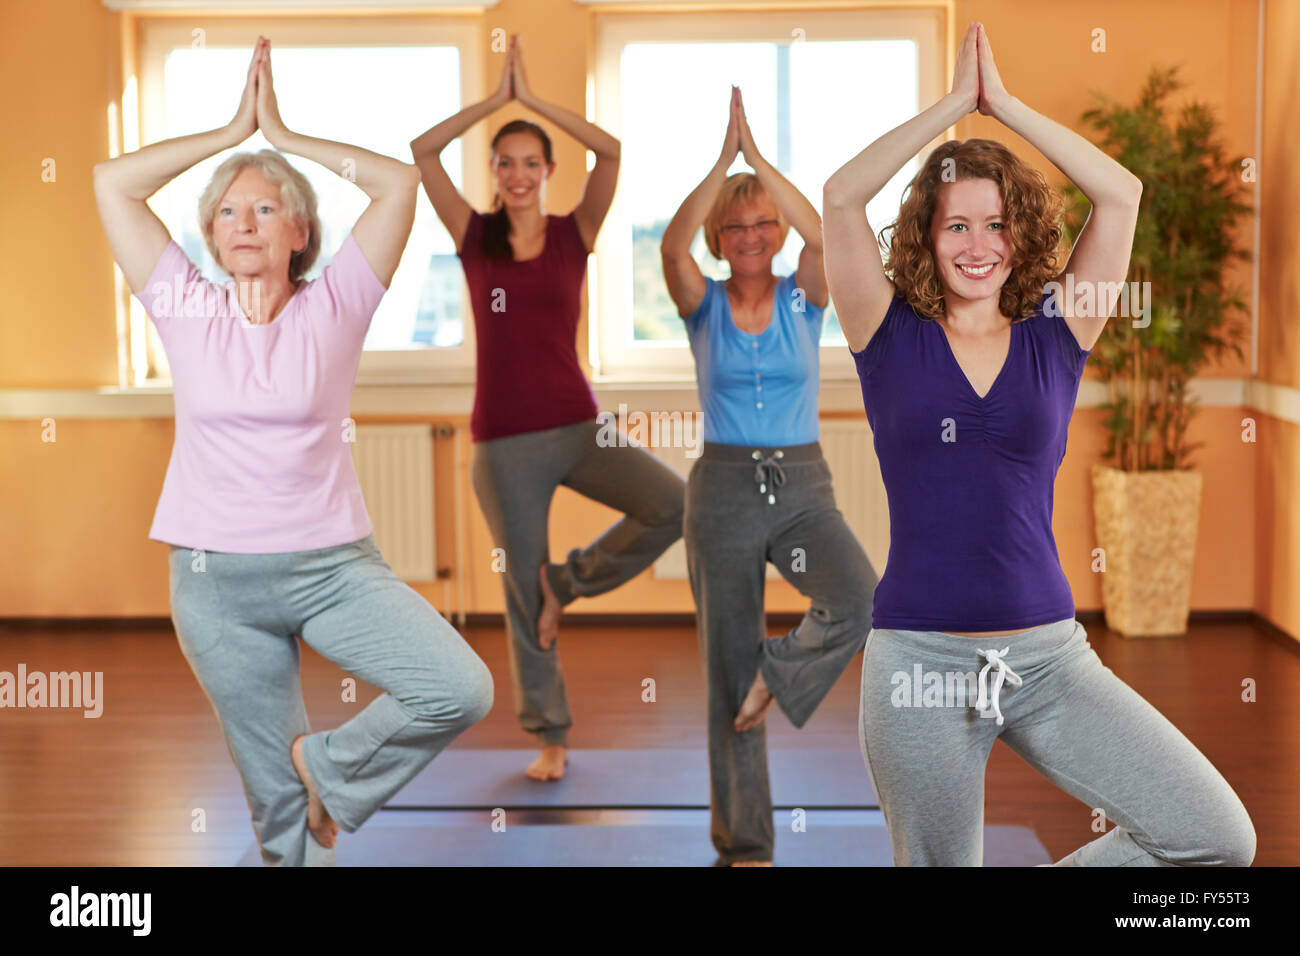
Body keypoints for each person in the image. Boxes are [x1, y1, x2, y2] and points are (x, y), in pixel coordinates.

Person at [822, 22, 1255, 866]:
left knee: (1214, 838)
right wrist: (952, 109)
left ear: (1019, 233)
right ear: (926, 235)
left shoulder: (1059, 329)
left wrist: (1006, 109)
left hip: (1047, 657)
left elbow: (1121, 193)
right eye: (956, 227)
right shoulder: (885, 332)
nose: (978, 247)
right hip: (920, 661)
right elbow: (840, 196)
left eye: (995, 225)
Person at [93, 37, 493, 866]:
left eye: (266, 207)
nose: (245, 223)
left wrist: (283, 136)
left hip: (331, 568)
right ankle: (300, 815)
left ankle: (333, 768)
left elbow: (398, 183)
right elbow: (111, 183)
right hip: (214, 583)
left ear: (300, 229)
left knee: (458, 688)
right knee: (280, 822)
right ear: (208, 233)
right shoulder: (184, 303)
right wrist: (229, 132)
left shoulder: (336, 305)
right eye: (228, 212)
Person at [410, 35, 686, 782]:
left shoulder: (575, 235)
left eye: (533, 161)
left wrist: (532, 103)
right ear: (494, 173)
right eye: (506, 162)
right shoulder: (474, 238)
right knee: (517, 586)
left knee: (676, 505)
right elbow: (421, 151)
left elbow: (615, 153)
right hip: (504, 444)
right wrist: (494, 105)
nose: (520, 174)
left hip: (579, 424)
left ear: (548, 170)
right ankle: (550, 734)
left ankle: (570, 584)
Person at [661, 87, 879, 866]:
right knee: (724, 665)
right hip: (719, 493)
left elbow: (825, 233)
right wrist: (721, 165)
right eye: (736, 225)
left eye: (763, 222)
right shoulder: (702, 302)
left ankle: (777, 677)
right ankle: (745, 841)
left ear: (778, 231)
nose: (751, 234)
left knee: (858, 596)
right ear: (721, 239)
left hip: (802, 491)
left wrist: (760, 163)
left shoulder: (804, 296)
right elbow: (669, 250)